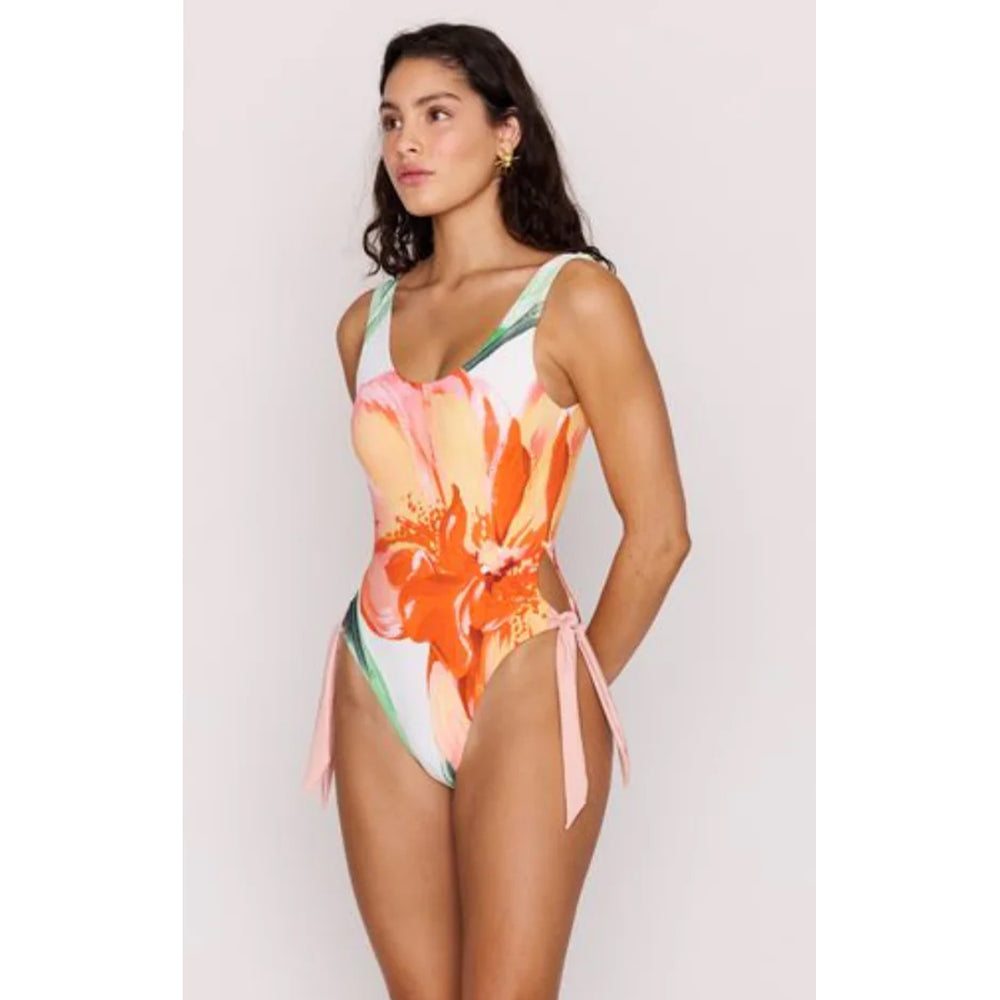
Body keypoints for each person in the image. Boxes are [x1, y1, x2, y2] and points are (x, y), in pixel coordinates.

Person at [304, 22, 690, 1000]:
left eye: (438, 115)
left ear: (505, 133)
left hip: (524, 669)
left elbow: (660, 534)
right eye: (392, 120)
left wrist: (576, 688)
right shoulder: (363, 327)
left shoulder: (576, 298)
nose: (407, 143)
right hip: (381, 676)